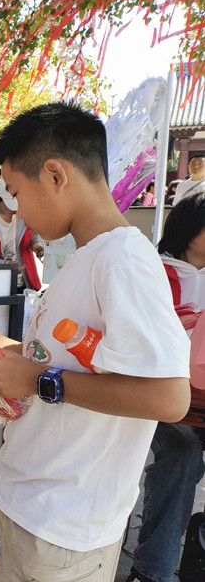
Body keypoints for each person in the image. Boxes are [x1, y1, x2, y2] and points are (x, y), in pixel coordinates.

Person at [0, 102, 190, 582]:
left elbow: (169, 398)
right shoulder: (89, 257)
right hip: (37, 508)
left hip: (66, 525)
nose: (17, 210)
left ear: (54, 175)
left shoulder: (123, 260)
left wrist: (42, 382)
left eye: (16, 192)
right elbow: (51, 360)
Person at [126, 193, 205, 582]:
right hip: (156, 397)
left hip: (198, 400)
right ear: (189, 230)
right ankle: (152, 571)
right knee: (183, 454)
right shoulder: (155, 275)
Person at [0, 179, 45, 290]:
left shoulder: (23, 213)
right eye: (9, 204)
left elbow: (33, 233)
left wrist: (36, 244)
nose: (14, 209)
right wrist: (4, 264)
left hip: (25, 281)